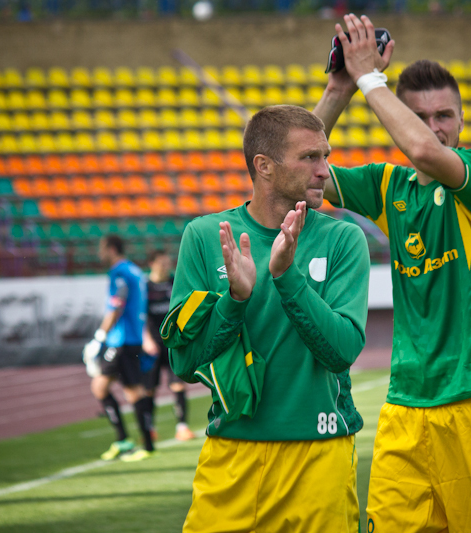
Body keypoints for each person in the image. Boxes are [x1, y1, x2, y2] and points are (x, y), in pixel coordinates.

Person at [313, 14, 471, 532]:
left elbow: (424, 151)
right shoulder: (389, 187)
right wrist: (339, 89)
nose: (433, 127)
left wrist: (371, 77)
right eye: (419, 116)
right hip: (406, 405)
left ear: (462, 120)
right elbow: (296, 172)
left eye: (444, 115)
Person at [162, 105, 370, 532]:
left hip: (320, 454)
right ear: (264, 166)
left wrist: (286, 276)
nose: (324, 170)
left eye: (326, 156)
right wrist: (235, 300)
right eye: (309, 157)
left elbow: (343, 351)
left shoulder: (343, 238)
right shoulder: (205, 237)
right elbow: (183, 363)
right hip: (231, 454)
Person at [83, 235, 155, 462]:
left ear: (112, 249)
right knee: (111, 388)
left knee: (124, 390)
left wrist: (99, 337)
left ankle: (143, 444)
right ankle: (129, 440)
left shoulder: (119, 272)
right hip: (130, 339)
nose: (99, 254)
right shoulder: (135, 270)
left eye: (102, 249)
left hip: (121, 341)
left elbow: (117, 305)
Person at [141, 248, 196, 441]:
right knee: (149, 388)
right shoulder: (145, 287)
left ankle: (182, 427)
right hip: (152, 344)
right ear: (151, 264)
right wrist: (146, 339)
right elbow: (140, 316)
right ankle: (150, 429)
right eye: (161, 263)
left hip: (174, 343)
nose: (166, 266)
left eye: (167, 262)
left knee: (178, 384)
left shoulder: (175, 283)